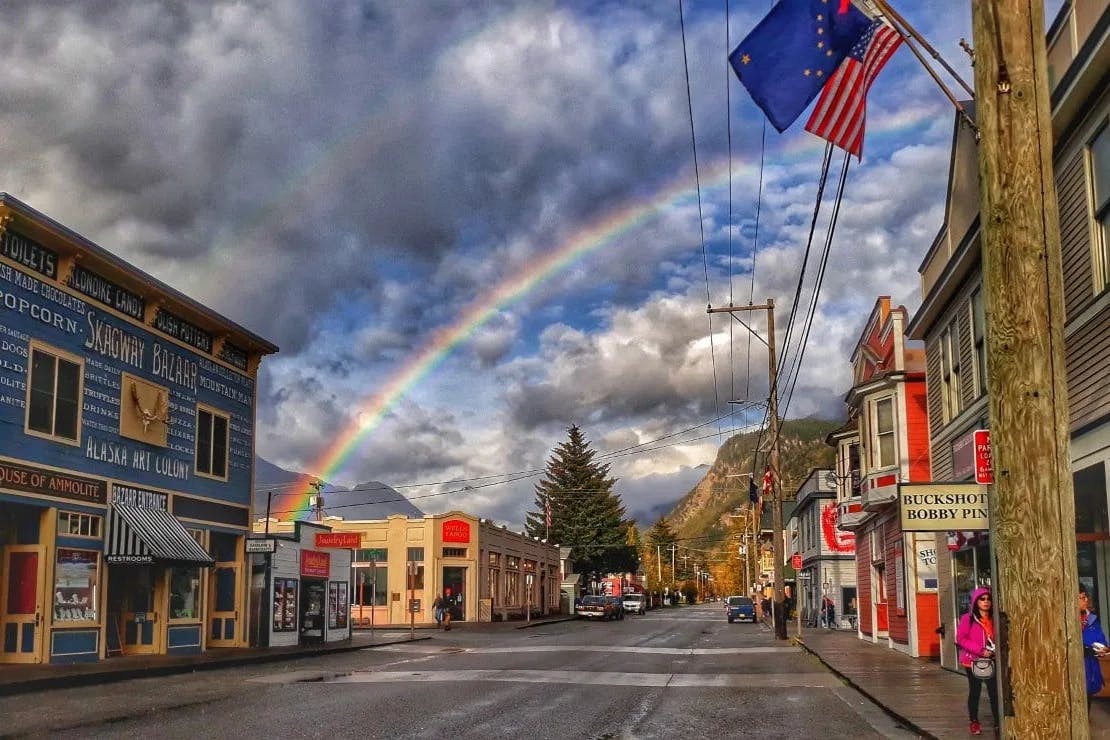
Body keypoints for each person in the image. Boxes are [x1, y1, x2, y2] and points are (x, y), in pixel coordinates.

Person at [956, 586, 999, 736]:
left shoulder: (995, 618)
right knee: (975, 691)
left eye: (988, 599)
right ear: (976, 601)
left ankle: (998, 723)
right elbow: (961, 639)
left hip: (992, 660)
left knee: (994, 692)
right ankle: (974, 721)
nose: (986, 602)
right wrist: (980, 651)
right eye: (982, 599)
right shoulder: (967, 619)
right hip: (973, 660)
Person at [1079, 583, 1108, 709]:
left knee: (1086, 707)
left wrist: (1103, 649)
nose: (1086, 600)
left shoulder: (1092, 620)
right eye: (1082, 597)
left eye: (1086, 597)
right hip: (1075, 672)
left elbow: (1103, 642)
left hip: (1090, 671)